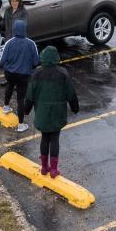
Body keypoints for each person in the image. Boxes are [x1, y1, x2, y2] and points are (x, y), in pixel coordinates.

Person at [24, 46, 79, 178]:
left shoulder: (37, 73)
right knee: (55, 139)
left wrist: (26, 109)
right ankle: (54, 170)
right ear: (56, 58)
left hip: (42, 112)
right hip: (57, 113)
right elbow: (71, 93)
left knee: (44, 138)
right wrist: (74, 107)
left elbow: (30, 95)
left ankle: (44, 167)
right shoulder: (63, 73)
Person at [0, 19, 39, 133]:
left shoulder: (9, 42)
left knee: (10, 85)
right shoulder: (31, 43)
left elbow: (2, 62)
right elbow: (36, 62)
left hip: (10, 74)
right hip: (24, 75)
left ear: (14, 30)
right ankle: (21, 124)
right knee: (21, 99)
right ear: (24, 30)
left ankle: (6, 107)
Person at [0, 0, 28, 85]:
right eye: (12, 1)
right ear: (10, 1)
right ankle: (8, 79)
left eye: (16, 1)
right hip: (8, 40)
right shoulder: (7, 11)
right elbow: (3, 25)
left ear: (19, 1)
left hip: (18, 40)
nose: (14, 3)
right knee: (8, 61)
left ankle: (18, 82)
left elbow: (23, 25)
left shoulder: (23, 12)